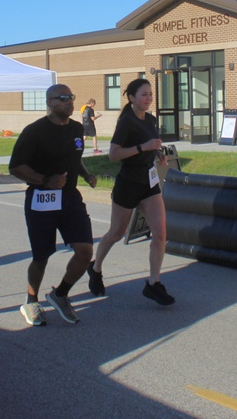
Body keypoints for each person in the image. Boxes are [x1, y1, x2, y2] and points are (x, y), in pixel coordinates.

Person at [9, 84, 97, 325]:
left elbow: (74, 158)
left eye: (71, 97)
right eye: (63, 98)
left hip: (70, 199)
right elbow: (16, 167)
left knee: (85, 251)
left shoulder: (77, 129)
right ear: (50, 103)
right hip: (42, 200)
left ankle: (60, 294)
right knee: (41, 256)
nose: (69, 102)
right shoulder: (34, 132)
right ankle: (31, 300)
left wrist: (86, 175)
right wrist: (46, 180)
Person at [87, 78, 174, 305]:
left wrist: (157, 154)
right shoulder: (126, 122)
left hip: (149, 181)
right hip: (128, 182)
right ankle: (95, 268)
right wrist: (142, 148)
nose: (148, 98)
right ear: (132, 98)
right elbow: (114, 154)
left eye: (150, 94)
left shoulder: (151, 120)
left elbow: (151, 146)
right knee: (116, 233)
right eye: (144, 94)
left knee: (161, 232)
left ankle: (153, 284)